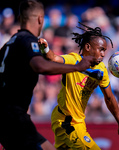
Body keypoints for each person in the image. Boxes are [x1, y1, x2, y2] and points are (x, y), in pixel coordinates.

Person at [0, 1, 95, 150]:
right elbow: (40, 65)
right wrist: (78, 66)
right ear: (40, 19)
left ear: (19, 18)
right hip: (13, 116)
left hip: (9, 116)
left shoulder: (8, 45)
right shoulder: (28, 40)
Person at [38, 22, 119, 150]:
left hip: (79, 122)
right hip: (66, 121)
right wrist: (45, 49)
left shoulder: (101, 70)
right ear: (88, 47)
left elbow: (109, 98)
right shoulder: (74, 60)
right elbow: (53, 58)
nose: (103, 54)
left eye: (104, 50)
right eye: (101, 49)